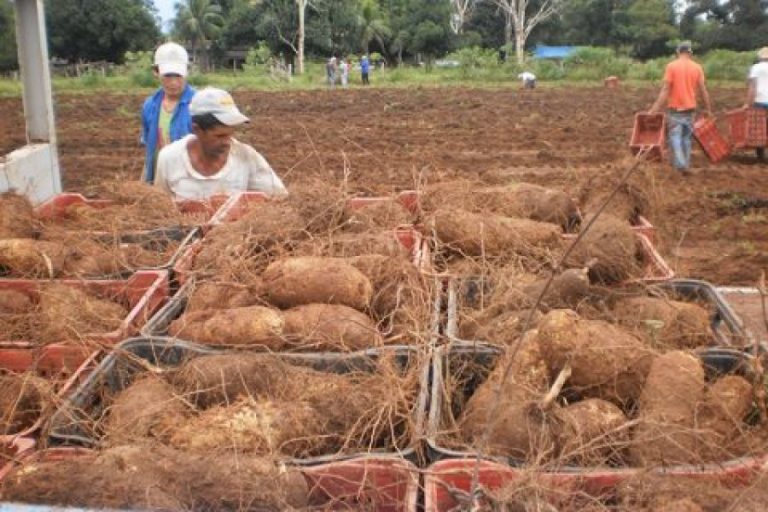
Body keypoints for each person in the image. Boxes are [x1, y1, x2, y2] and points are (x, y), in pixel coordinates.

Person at [154, 87, 288, 200]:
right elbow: (160, 205)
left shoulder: (246, 157)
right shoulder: (169, 158)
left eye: (230, 134)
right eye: (220, 136)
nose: (227, 142)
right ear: (197, 130)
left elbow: (279, 197)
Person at [649, 40, 713, 175]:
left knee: (675, 137)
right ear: (690, 53)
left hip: (675, 109)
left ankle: (681, 165)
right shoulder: (697, 67)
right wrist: (708, 109)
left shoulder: (671, 66)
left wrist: (655, 108)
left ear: (678, 52)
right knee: (686, 138)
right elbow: (703, 90)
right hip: (690, 109)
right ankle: (684, 164)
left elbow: (666, 89)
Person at [140, 42, 196, 184]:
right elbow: (150, 150)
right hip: (158, 180)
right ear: (156, 72)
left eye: (178, 76)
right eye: (168, 76)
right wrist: (144, 181)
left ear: (187, 72)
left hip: (189, 182)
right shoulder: (149, 106)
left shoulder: (199, 104)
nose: (173, 82)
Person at [744, 47, 768, 162]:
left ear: (760, 57)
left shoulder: (756, 68)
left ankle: (761, 155)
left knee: (759, 129)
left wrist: (747, 103)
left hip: (759, 101)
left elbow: (752, 88)